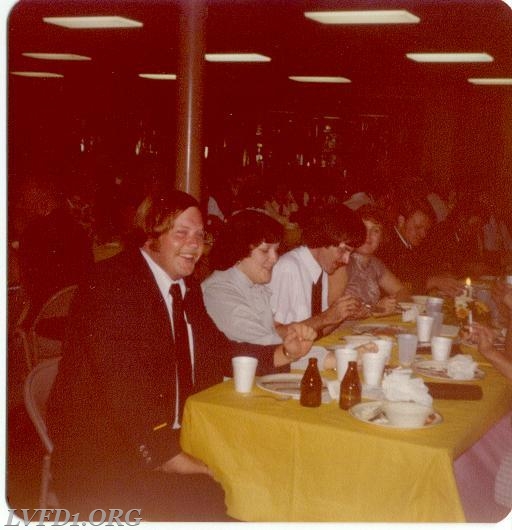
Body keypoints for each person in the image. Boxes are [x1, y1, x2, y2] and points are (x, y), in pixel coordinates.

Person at [46, 188, 280, 521]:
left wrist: (280, 354)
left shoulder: (185, 286)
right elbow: (123, 386)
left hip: (167, 434)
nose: (194, 244)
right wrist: (168, 456)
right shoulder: (114, 284)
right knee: (221, 497)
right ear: (151, 235)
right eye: (180, 233)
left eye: (199, 235)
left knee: (258, 471)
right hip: (107, 457)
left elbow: (216, 348)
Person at [202, 210, 317, 370]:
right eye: (265, 250)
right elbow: (267, 346)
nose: (275, 258)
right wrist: (333, 359)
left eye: (276, 250)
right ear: (239, 250)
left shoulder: (254, 285)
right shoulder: (219, 292)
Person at [269, 204, 366, 337]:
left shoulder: (321, 270)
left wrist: (342, 315)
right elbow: (271, 335)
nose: (346, 260)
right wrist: (325, 317)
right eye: (343, 250)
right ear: (325, 237)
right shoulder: (288, 268)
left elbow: (318, 333)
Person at [16, 176, 94, 331]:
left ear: (40, 198)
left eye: (25, 198)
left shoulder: (31, 234)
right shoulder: (78, 229)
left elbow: (27, 288)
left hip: (43, 330)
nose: (21, 205)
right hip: (79, 323)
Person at [376, 193, 463, 297]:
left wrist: (441, 277)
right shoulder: (386, 244)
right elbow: (395, 287)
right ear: (401, 221)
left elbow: (423, 272)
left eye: (426, 229)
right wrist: (434, 282)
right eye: (418, 227)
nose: (423, 234)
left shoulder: (412, 243)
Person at [328, 205, 410, 314]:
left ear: (382, 237)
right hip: (343, 329)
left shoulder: (375, 264)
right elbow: (333, 309)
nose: (368, 236)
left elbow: (403, 291)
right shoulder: (342, 262)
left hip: (367, 328)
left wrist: (392, 302)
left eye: (375, 231)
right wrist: (376, 308)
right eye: (363, 228)